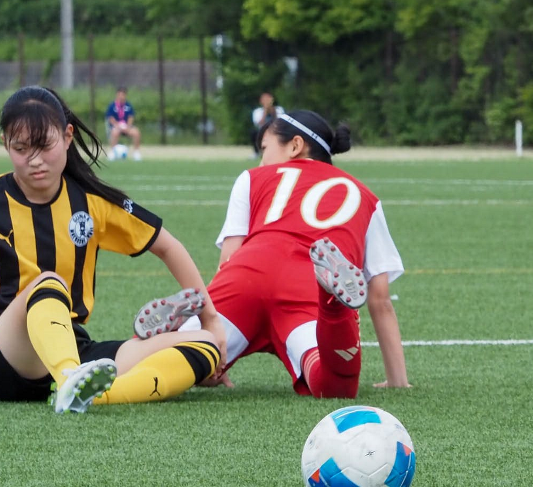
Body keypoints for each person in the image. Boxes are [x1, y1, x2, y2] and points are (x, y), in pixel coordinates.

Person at [0, 86, 223, 412]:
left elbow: (167, 246)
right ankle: (69, 379)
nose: (35, 161)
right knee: (49, 284)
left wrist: (211, 321)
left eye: (44, 146)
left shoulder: (91, 202)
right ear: (5, 143)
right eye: (20, 148)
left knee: (204, 345)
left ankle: (96, 394)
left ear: (67, 136)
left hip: (72, 346)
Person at [147, 110, 409, 396]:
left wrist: (218, 348)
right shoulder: (365, 197)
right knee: (334, 385)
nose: (262, 160)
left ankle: (184, 333)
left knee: (179, 364)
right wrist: (397, 379)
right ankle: (332, 303)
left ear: (295, 145)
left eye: (265, 149)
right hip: (306, 291)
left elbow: (228, 261)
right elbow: (380, 298)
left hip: (245, 279)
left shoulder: (253, 177)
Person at [105, 86, 142, 160]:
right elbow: (110, 118)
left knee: (136, 132)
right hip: (116, 126)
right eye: (119, 95)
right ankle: (112, 152)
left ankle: (136, 152)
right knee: (114, 132)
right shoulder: (112, 106)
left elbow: (131, 117)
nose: (121, 97)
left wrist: (128, 127)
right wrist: (117, 126)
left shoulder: (128, 105)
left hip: (126, 126)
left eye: (122, 95)